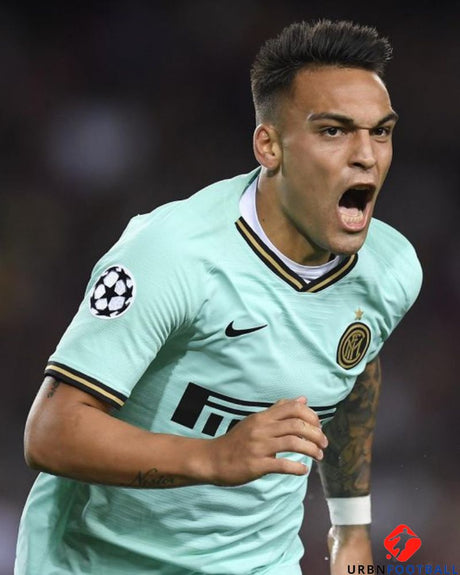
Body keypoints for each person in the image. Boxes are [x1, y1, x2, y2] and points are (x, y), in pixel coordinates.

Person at [15, 19, 422, 575]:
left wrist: (350, 530)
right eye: (334, 131)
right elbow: (51, 434)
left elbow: (352, 373)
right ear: (269, 146)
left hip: (259, 563)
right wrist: (214, 457)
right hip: (97, 561)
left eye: (381, 132)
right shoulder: (173, 254)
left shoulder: (392, 269)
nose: (367, 156)